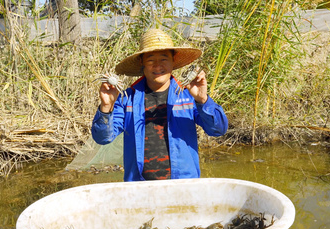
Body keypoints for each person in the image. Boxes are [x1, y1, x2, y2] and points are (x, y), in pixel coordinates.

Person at [91, 28, 228, 181]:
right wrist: (106, 107)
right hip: (139, 187)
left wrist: (203, 99)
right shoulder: (126, 99)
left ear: (173, 61)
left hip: (183, 185)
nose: (157, 66)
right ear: (142, 63)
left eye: (163, 59)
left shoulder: (188, 96)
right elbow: (103, 138)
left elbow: (219, 129)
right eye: (150, 60)